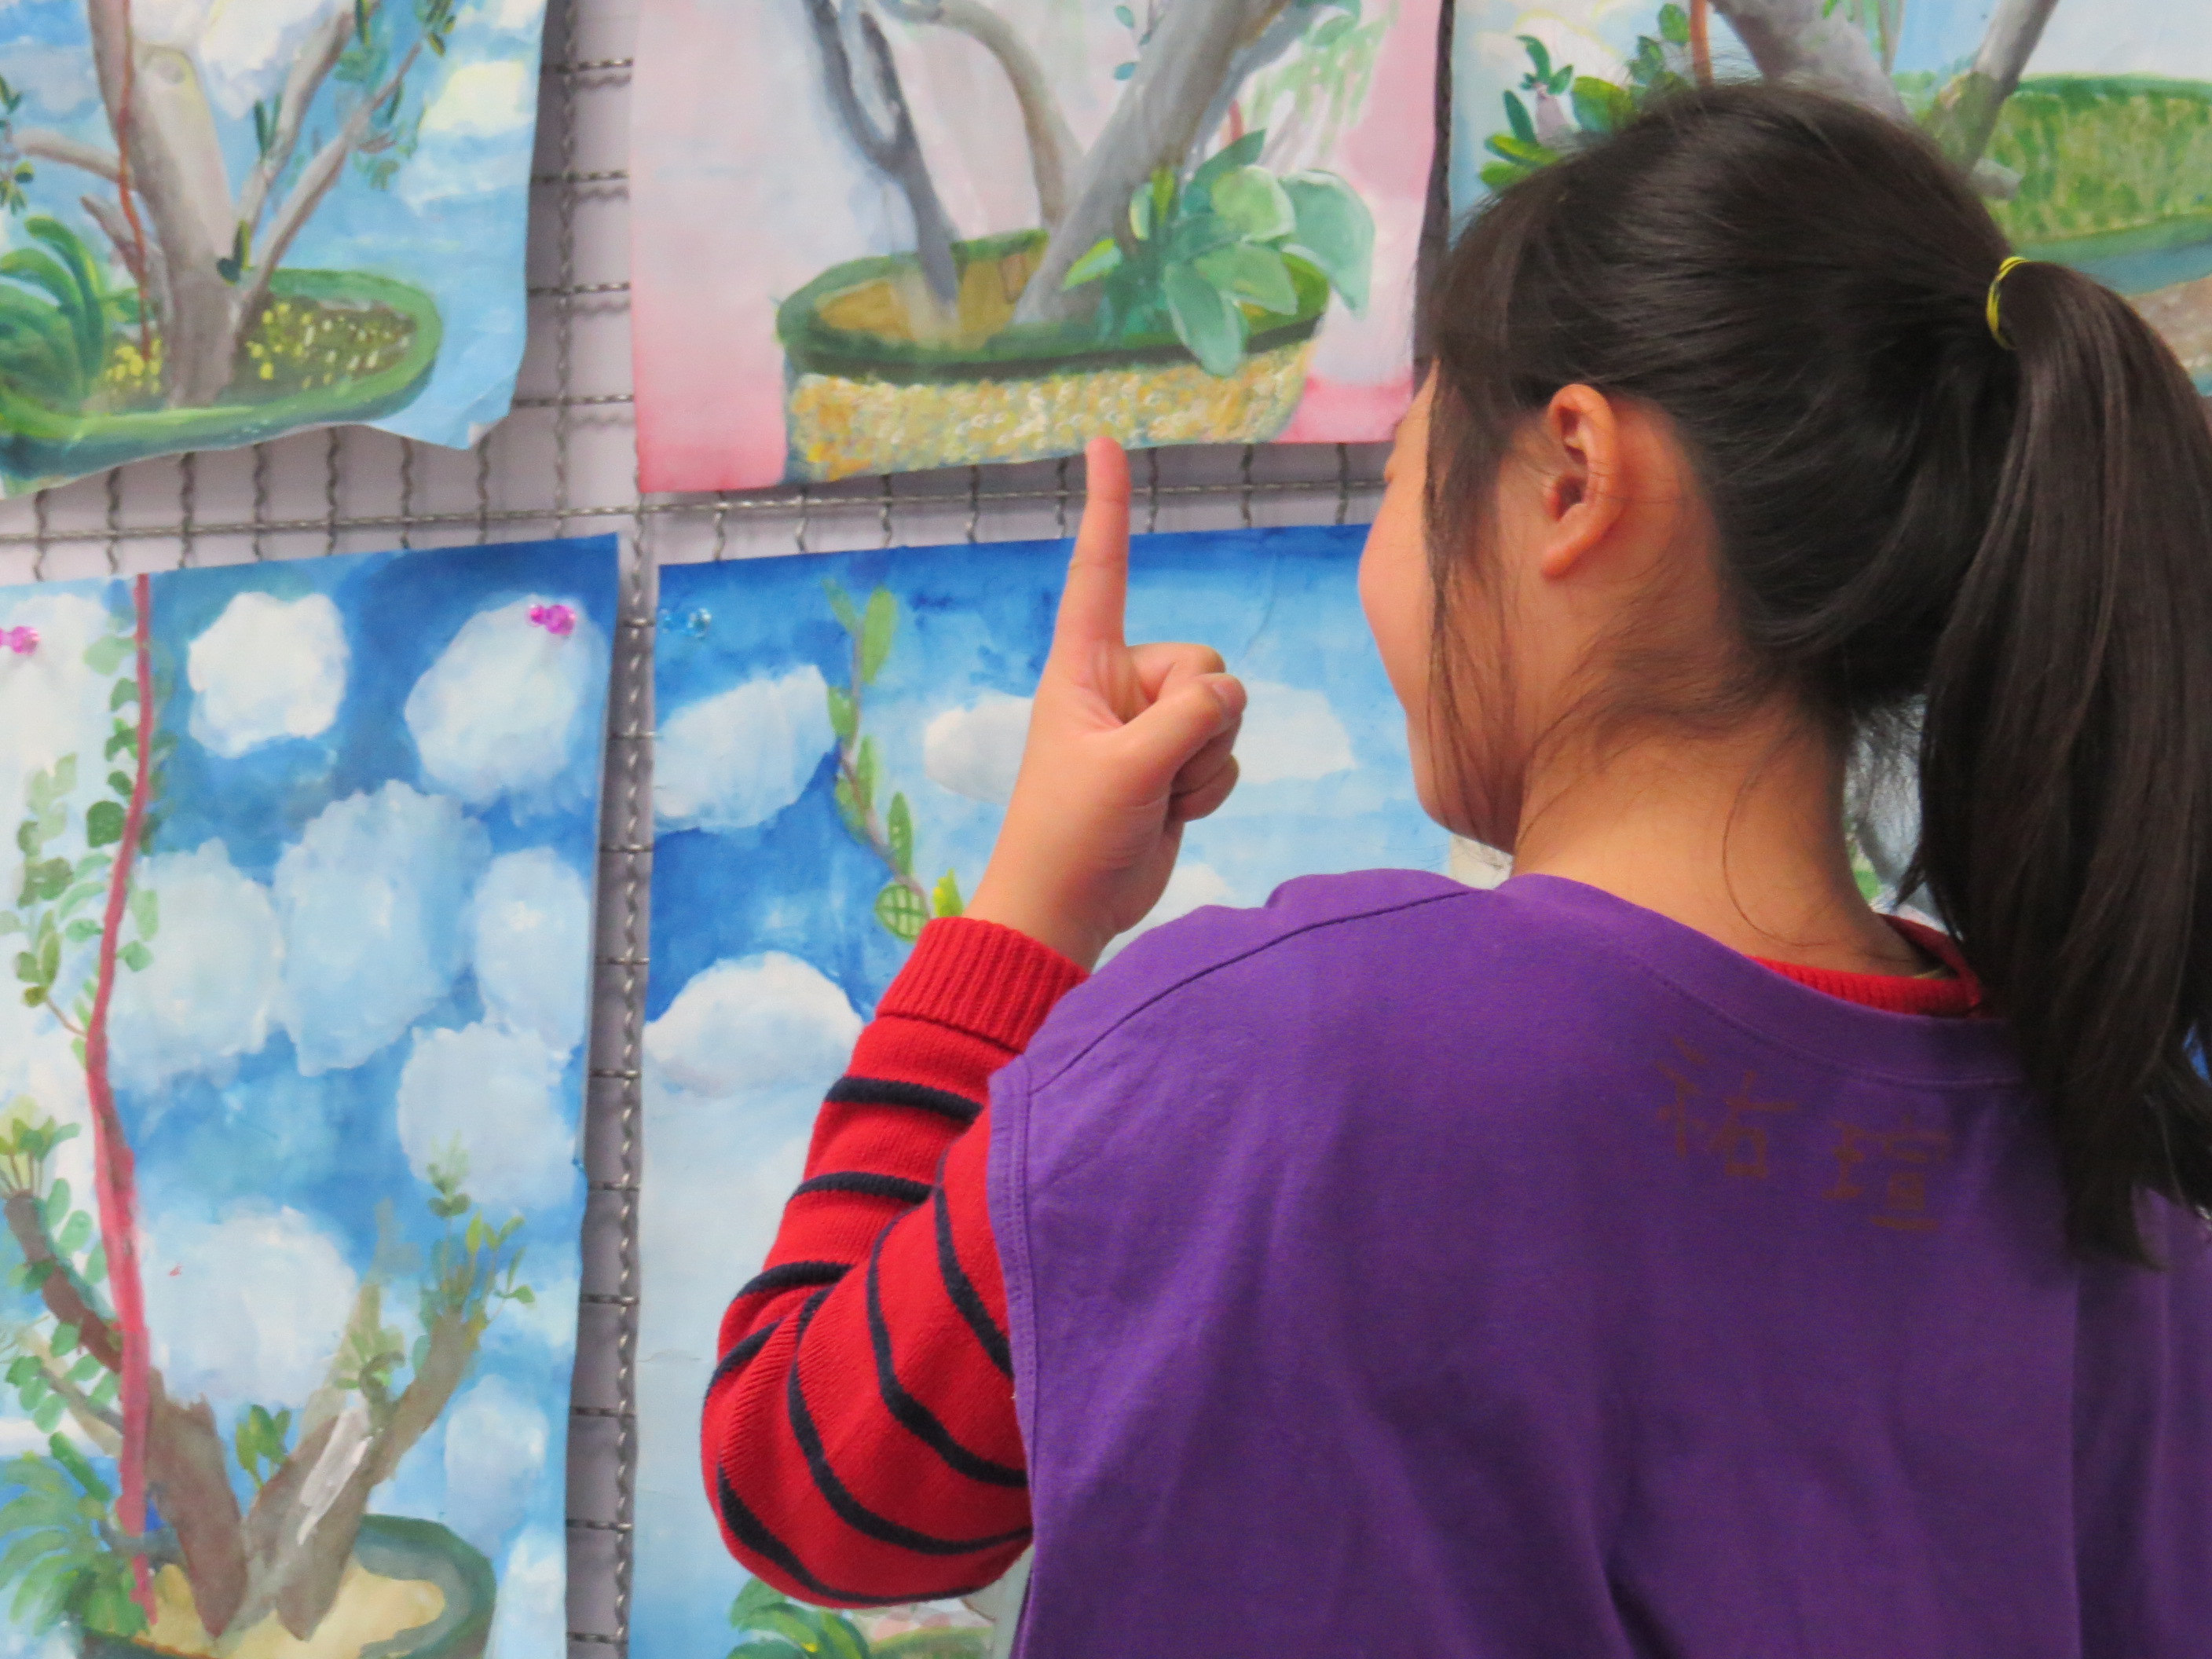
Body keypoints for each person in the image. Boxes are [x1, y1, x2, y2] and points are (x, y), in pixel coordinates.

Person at [700, 82, 2212, 1654]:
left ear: (1572, 479)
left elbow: (802, 1474)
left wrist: (1028, 914)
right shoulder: (2124, 1194)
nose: (1384, 560)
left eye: (1401, 478)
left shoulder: (1263, 1060)